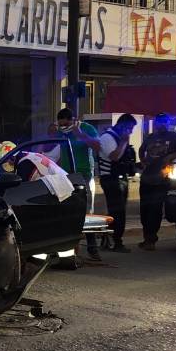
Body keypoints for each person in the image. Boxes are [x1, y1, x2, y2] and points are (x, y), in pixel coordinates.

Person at [48, 107, 102, 260]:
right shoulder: (61, 132)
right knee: (65, 213)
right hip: (65, 176)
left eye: (66, 125)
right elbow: (48, 145)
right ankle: (67, 250)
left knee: (85, 213)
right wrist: (51, 131)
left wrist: (80, 134)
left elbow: (98, 147)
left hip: (83, 176)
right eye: (61, 125)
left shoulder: (86, 128)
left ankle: (92, 248)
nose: (64, 128)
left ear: (74, 120)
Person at [137, 112, 176, 250]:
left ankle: (151, 240)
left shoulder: (175, 137)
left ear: (169, 123)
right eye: (158, 121)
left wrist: (170, 157)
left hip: (162, 180)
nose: (161, 124)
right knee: (144, 210)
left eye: (164, 122)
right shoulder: (151, 137)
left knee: (155, 211)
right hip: (146, 178)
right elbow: (141, 149)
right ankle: (146, 238)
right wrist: (143, 161)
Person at [97, 113, 138, 253]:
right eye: (130, 128)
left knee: (118, 211)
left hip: (120, 178)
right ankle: (116, 241)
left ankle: (109, 239)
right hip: (111, 179)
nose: (131, 132)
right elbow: (114, 157)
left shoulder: (119, 137)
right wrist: (123, 142)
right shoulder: (107, 137)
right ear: (123, 126)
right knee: (117, 211)